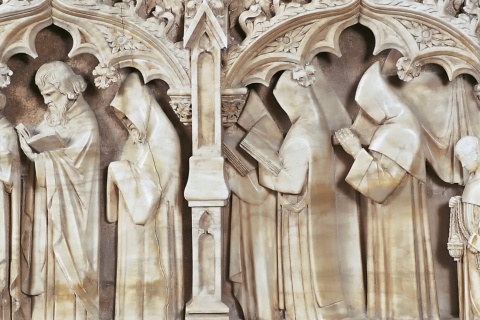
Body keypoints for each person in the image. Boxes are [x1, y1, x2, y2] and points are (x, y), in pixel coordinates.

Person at [336, 62, 439, 319]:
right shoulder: (397, 125)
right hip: (393, 217)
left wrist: (354, 151)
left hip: (396, 222)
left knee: (397, 268)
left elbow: (381, 187)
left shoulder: (400, 132)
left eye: (367, 108)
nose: (364, 115)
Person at [258, 70, 347, 319]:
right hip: (314, 215)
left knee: (301, 273)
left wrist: (263, 171)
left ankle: (302, 313)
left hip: (300, 218)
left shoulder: (300, 135)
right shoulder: (316, 125)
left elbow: (292, 183)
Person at [18, 61, 100, 319]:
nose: (46, 101)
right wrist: (30, 135)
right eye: (42, 95)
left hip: (73, 212)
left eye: (50, 94)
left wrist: (38, 159)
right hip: (49, 205)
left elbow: (77, 164)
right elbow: (46, 136)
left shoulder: (85, 121)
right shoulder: (55, 115)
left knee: (69, 261)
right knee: (48, 258)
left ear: (67, 90)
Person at [106, 72, 184, 319]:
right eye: (123, 119)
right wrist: (118, 174)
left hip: (156, 230)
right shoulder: (135, 141)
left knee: (153, 294)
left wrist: (118, 172)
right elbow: (117, 210)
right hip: (132, 234)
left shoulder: (165, 141)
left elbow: (143, 211)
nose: (127, 124)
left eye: (130, 117)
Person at [448, 135, 480, 320]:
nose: (464, 165)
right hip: (469, 246)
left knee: (477, 291)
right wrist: (458, 202)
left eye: (465, 159)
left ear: (476, 154)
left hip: (477, 245)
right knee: (471, 289)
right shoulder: (473, 180)